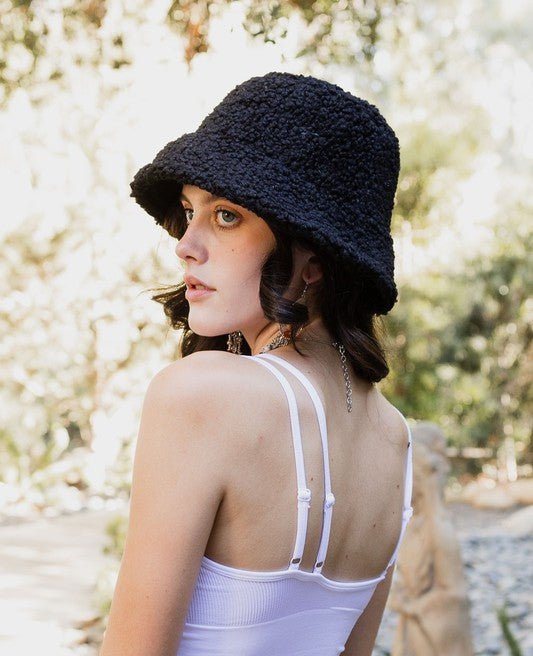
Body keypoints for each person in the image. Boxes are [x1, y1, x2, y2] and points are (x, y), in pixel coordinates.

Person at [100, 72, 413, 656]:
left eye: (226, 216)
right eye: (189, 211)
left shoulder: (199, 394)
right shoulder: (396, 439)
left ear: (312, 259)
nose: (185, 244)